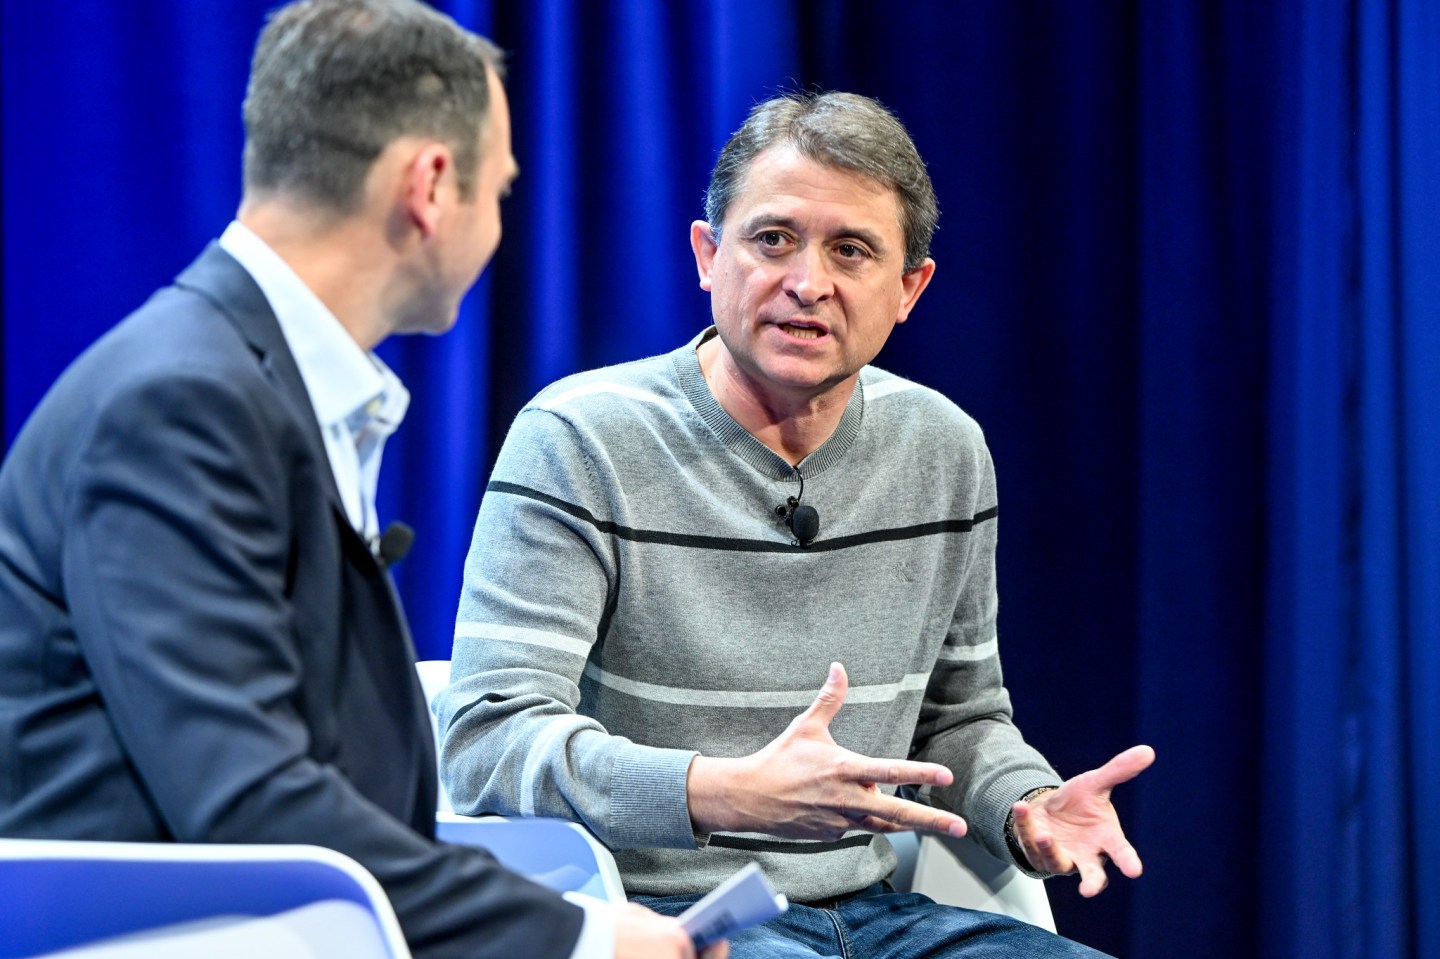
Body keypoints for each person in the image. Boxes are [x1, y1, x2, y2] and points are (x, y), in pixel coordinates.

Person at [0, 2, 724, 958]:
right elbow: (253, 806)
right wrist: (582, 937)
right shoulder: (182, 401)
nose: (498, 225)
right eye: (498, 191)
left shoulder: (242, 379)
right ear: (431, 185)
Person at [434, 90, 1155, 957]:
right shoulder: (581, 438)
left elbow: (957, 719)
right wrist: (719, 791)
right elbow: (487, 739)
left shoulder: (942, 447)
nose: (807, 283)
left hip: (880, 914)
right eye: (773, 239)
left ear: (910, 288)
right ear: (708, 256)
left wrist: (1024, 804)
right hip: (660, 916)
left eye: (851, 250)